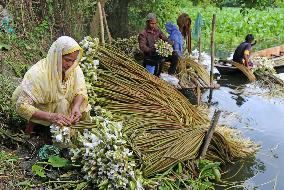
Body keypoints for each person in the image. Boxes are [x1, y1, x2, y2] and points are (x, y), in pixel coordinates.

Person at [12, 36, 90, 136]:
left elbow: (81, 90)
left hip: (58, 103)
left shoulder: (73, 68)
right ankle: (32, 127)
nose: (70, 64)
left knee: (78, 107)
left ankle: (69, 134)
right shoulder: (38, 73)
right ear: (56, 56)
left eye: (73, 60)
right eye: (67, 60)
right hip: (41, 104)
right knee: (60, 105)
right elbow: (22, 105)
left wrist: (76, 107)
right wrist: (51, 116)